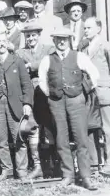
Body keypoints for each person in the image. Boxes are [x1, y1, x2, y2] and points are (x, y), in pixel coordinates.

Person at [38, 27, 99, 190]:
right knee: (61, 139)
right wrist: (51, 95)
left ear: (70, 40)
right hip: (56, 102)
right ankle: (68, 175)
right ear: (54, 41)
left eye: (64, 39)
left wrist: (85, 90)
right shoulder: (47, 60)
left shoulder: (79, 56)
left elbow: (94, 73)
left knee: (81, 138)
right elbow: (42, 80)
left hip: (76, 101)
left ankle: (86, 176)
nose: (62, 41)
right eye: (58, 39)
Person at [0, 32, 34, 181]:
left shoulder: (17, 61)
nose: (2, 44)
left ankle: (21, 171)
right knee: (0, 139)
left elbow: (27, 84)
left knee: (19, 138)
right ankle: (7, 170)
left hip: (14, 104)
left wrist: (27, 103)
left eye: (4, 41)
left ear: (8, 43)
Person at [82, 17, 110, 174]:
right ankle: (93, 164)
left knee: (107, 129)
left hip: (104, 93)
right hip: (90, 96)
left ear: (98, 29)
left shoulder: (106, 46)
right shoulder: (85, 49)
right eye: (84, 28)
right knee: (91, 128)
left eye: (89, 28)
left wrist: (109, 88)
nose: (85, 30)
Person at [16, 23, 56, 179]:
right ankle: (38, 167)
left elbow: (51, 61)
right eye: (28, 36)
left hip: (47, 95)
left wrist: (31, 65)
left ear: (39, 35)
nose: (31, 38)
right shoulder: (21, 52)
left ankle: (53, 164)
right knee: (33, 129)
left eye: (33, 35)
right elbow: (18, 66)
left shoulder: (48, 49)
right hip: (30, 96)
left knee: (50, 129)